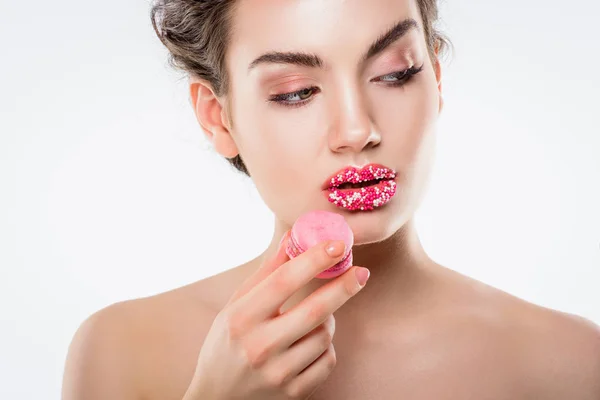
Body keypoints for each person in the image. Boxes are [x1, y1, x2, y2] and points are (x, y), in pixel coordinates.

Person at [61, 0, 600, 399]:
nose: (356, 129)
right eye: (295, 91)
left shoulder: (571, 363)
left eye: (394, 73)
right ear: (217, 117)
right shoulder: (119, 353)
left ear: (434, 79)